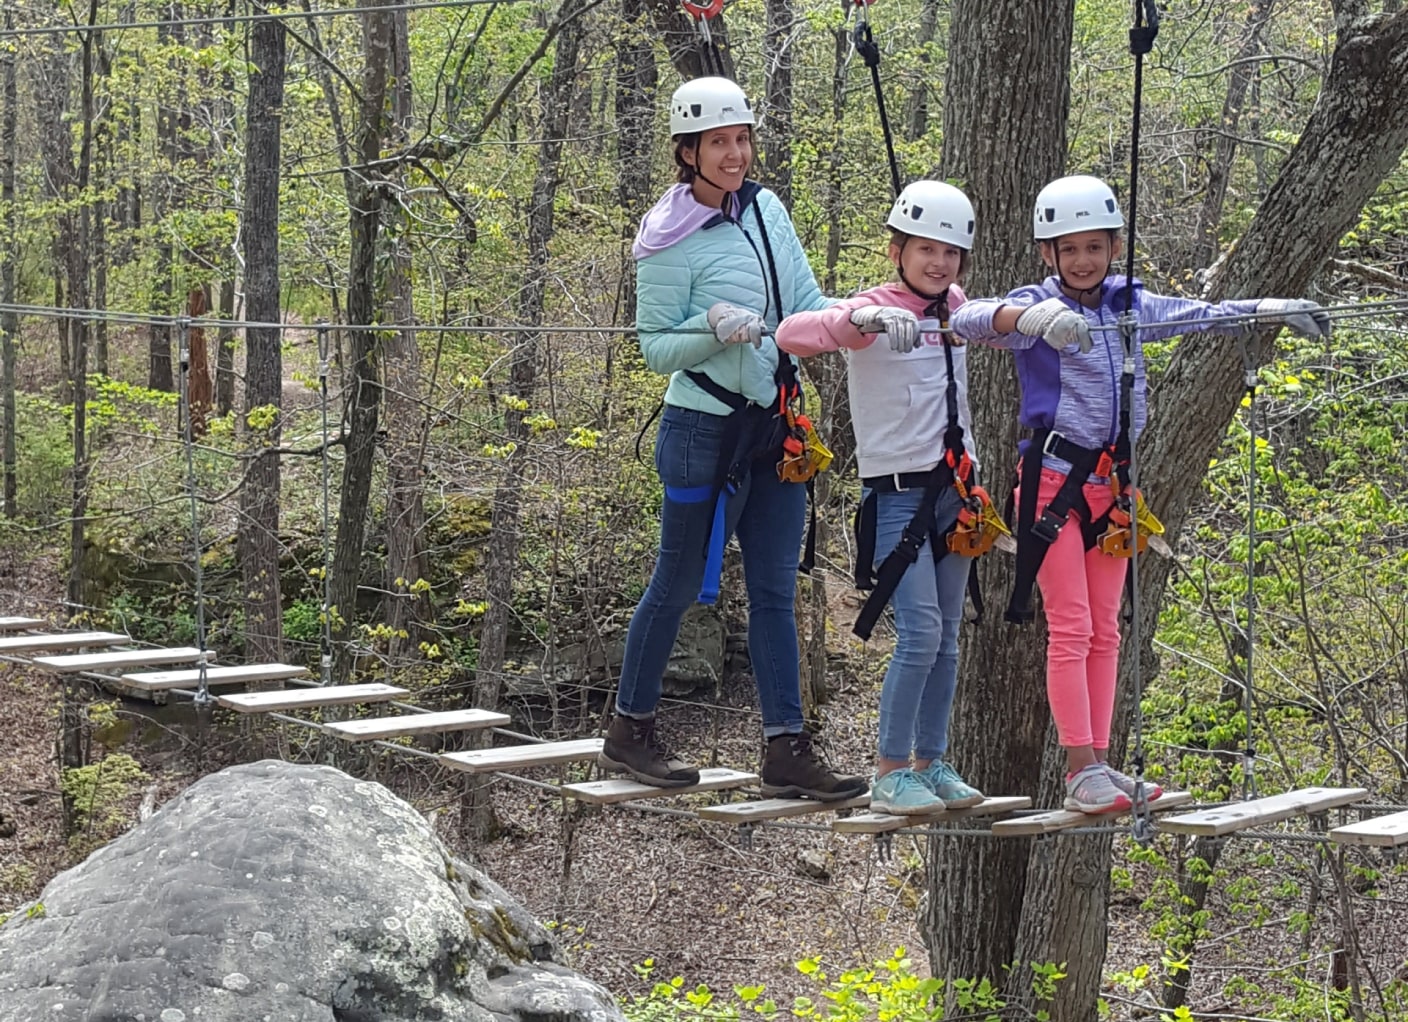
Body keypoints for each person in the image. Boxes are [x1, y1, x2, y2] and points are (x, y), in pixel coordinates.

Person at [951, 174, 1331, 814]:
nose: (1081, 260)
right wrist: (1032, 317)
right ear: (1048, 254)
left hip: (1113, 489)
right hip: (1049, 486)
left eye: (1093, 247)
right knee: (1070, 627)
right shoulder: (1037, 305)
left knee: (1108, 630)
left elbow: (1199, 316)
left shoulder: (1131, 307)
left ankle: (1099, 762)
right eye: (1068, 249)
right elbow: (967, 318)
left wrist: (1267, 309)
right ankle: (1080, 769)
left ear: (1114, 247)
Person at [599, 76, 866, 802]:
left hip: (775, 428)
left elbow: (806, 309)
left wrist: (860, 319)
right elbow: (653, 348)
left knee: (778, 589)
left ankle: (786, 747)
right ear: (687, 152)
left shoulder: (768, 211)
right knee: (680, 582)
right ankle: (629, 729)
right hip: (700, 429)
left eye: (742, 139)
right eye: (719, 142)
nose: (735, 154)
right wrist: (709, 328)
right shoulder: (665, 240)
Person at [775, 181, 994, 816]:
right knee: (921, 633)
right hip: (899, 496)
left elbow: (990, 317)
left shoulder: (953, 306)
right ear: (899, 249)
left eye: (951, 253)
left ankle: (932, 761)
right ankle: (890, 769)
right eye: (926, 249)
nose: (939, 263)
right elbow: (794, 332)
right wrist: (862, 318)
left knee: (949, 635)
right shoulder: (873, 312)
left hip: (957, 494)